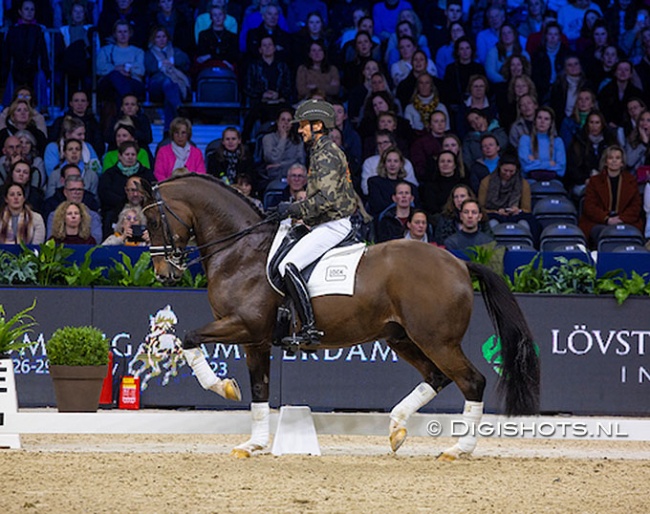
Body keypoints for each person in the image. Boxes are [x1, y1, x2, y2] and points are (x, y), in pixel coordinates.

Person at [274, 100, 357, 346]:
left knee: (288, 265)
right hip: (324, 222)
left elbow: (327, 199)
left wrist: (293, 208)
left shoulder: (326, 153)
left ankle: (310, 328)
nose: (300, 130)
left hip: (334, 224)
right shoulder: (320, 151)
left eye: (303, 126)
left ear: (318, 125)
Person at [579, 145, 643, 246]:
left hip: (625, 221)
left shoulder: (630, 180)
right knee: (601, 232)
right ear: (605, 161)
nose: (614, 161)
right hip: (599, 222)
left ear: (622, 163)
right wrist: (607, 219)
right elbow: (589, 206)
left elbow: (635, 206)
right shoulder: (595, 181)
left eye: (617, 158)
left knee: (629, 232)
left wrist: (621, 219)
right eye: (610, 158)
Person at [477, 155, 540, 244]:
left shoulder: (523, 183)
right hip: (493, 213)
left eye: (511, 171)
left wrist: (517, 210)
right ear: (499, 167)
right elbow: (481, 208)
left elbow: (527, 209)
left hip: (515, 215)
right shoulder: (486, 182)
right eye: (505, 170)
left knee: (526, 223)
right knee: (491, 223)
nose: (508, 174)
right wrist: (496, 211)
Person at [1, 1, 50, 109]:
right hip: (17, 67)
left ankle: (43, 108)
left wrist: (46, 71)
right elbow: (7, 53)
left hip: (33, 67)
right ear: (20, 12)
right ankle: (7, 108)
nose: (29, 12)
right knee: (10, 76)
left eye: (32, 9)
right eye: (26, 9)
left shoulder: (39, 30)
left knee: (41, 76)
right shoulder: (13, 30)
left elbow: (43, 52)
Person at [100, 141, 156, 234]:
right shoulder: (109, 174)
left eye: (133, 154)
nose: (130, 157)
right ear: (120, 156)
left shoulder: (147, 174)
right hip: (116, 210)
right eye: (127, 154)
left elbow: (153, 191)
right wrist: (122, 201)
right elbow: (104, 193)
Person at [145, 27, 192, 134]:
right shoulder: (149, 54)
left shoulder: (176, 52)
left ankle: (168, 130)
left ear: (167, 38)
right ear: (153, 39)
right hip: (156, 87)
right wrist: (161, 64)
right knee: (168, 82)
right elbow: (149, 68)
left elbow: (186, 63)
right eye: (158, 37)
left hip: (172, 89)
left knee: (169, 93)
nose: (161, 40)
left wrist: (173, 62)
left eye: (163, 37)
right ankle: (178, 107)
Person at [96, 20, 146, 109]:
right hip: (109, 84)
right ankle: (129, 104)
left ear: (130, 33)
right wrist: (117, 69)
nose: (123, 35)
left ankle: (123, 112)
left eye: (125, 32)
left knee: (118, 91)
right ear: (115, 34)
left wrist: (128, 69)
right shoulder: (105, 50)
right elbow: (100, 69)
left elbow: (141, 70)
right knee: (116, 76)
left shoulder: (138, 51)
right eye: (120, 32)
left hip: (132, 82)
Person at [566, 110, 617, 198]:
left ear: (602, 124)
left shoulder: (610, 141)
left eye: (597, 123)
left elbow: (617, 164)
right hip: (582, 182)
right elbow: (572, 168)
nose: (594, 126)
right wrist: (586, 178)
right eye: (591, 122)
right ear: (587, 124)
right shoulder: (578, 141)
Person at [48, 90, 104, 159]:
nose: (80, 103)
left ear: (87, 103)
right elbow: (53, 139)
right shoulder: (60, 121)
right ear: (71, 103)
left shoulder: (94, 123)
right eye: (76, 100)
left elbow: (99, 146)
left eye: (83, 101)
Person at [260, 108, 306, 189]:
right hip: (273, 177)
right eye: (283, 120)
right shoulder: (268, 138)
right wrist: (283, 138)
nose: (286, 123)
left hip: (295, 177)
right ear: (277, 122)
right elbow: (273, 159)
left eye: (289, 120)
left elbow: (300, 161)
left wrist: (280, 165)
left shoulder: (298, 140)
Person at [518, 106, 566, 180]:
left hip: (553, 181)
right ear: (535, 121)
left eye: (546, 119)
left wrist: (534, 162)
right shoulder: (525, 139)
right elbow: (526, 167)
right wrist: (549, 164)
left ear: (551, 123)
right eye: (539, 118)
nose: (542, 121)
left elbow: (561, 170)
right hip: (530, 180)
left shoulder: (558, 141)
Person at [154, 117, 206, 181]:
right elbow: (159, 174)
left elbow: (201, 175)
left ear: (188, 134)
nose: (180, 136)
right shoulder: (163, 151)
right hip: (168, 187)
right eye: (176, 133)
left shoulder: (197, 153)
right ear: (172, 134)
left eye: (183, 133)